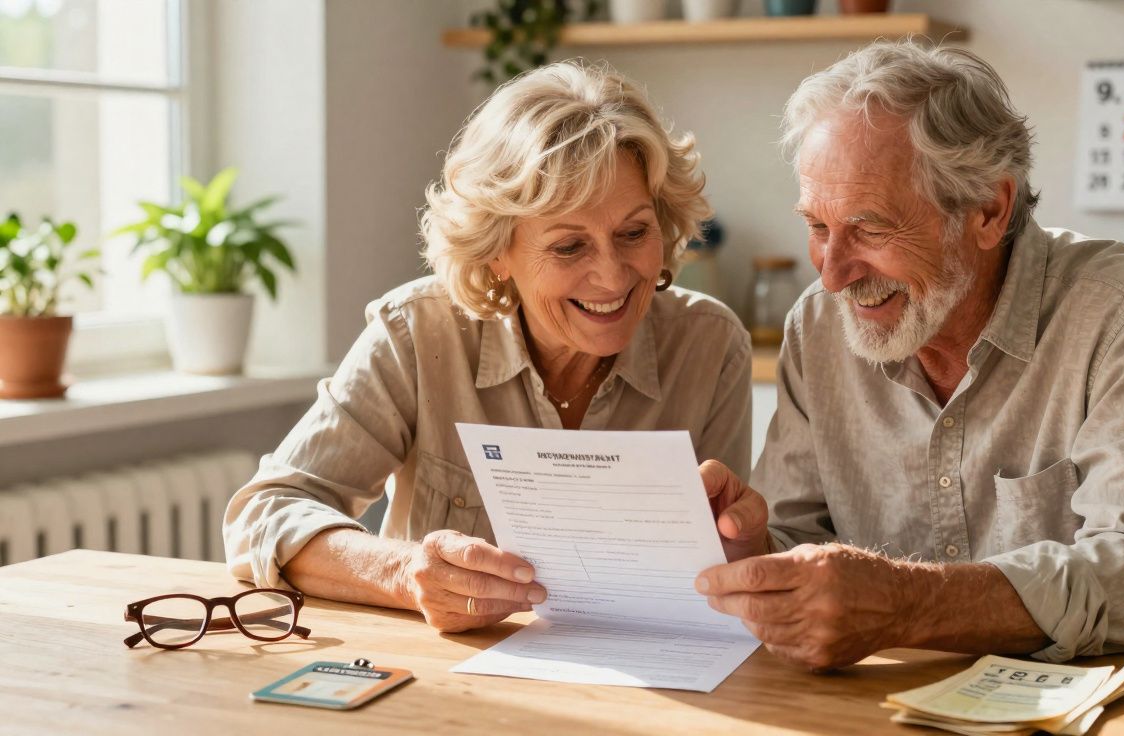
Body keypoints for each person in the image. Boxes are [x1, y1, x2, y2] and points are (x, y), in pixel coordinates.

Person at [694, 40, 1124, 670]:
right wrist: (748, 545)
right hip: (899, 703)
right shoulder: (818, 326)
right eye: (818, 227)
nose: (835, 274)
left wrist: (905, 603)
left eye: (870, 228)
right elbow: (804, 545)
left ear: (989, 210)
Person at [223, 61, 752, 635]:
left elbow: (725, 571)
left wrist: (743, 543)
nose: (612, 276)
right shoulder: (417, 334)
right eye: (570, 246)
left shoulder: (710, 345)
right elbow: (264, 513)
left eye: (633, 233)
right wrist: (405, 572)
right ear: (497, 252)